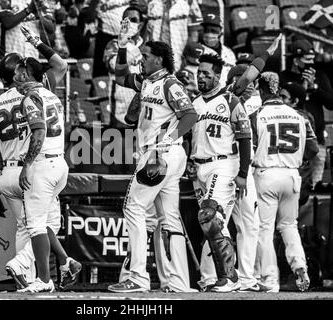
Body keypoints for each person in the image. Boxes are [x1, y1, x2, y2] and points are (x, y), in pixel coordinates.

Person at [0, 28, 81, 291]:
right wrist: (37, 42)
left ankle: (32, 270)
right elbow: (61, 65)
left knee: (28, 226)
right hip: (39, 165)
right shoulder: (40, 89)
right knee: (44, 224)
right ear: (18, 74)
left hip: (9, 171)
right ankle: (34, 269)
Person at [107, 19, 201, 292]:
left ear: (159, 59)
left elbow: (190, 115)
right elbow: (119, 75)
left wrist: (167, 140)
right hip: (165, 155)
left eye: (145, 57)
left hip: (160, 154)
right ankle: (178, 282)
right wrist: (123, 43)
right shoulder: (148, 81)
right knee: (167, 217)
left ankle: (136, 278)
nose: (141, 61)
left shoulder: (170, 84)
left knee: (133, 208)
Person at [251, 72, 319, 292]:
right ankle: (299, 264)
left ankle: (270, 280)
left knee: (264, 228)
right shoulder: (300, 116)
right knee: (289, 226)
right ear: (277, 89)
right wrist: (295, 159)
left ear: (261, 91)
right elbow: (313, 150)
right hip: (292, 174)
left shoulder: (257, 115)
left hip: (266, 174)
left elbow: (248, 148)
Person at [189, 53, 251, 293]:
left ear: (218, 75)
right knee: (214, 225)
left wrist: (243, 173)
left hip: (224, 164)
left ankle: (230, 277)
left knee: (209, 216)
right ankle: (216, 278)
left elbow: (245, 138)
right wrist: (189, 161)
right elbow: (188, 137)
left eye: (206, 73)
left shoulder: (231, 100)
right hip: (199, 168)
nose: (201, 77)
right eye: (199, 73)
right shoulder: (194, 103)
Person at [11, 57, 69, 293]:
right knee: (43, 223)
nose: (14, 77)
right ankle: (64, 262)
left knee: (35, 226)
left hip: (43, 164)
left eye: (17, 72)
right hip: (59, 162)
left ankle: (44, 280)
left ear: (25, 74)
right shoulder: (51, 95)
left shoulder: (30, 97)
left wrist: (27, 165)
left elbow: (39, 131)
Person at [280, 39, 333, 188]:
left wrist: (314, 88)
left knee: (315, 187)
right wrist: (302, 88)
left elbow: (331, 103)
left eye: (312, 59)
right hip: (291, 140)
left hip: (316, 139)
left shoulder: (320, 76)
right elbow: (282, 105)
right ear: (296, 60)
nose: (310, 63)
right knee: (294, 186)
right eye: (306, 60)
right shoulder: (284, 77)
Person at [103, 5, 146, 127]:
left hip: (144, 109)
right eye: (126, 20)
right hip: (119, 112)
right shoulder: (113, 45)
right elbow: (113, 65)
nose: (130, 24)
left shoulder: (149, 47)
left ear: (141, 25)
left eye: (133, 20)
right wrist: (127, 45)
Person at [279, 83, 318, 206]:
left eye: (283, 97)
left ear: (295, 101)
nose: (279, 100)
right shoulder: (306, 117)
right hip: (293, 173)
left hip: (295, 172)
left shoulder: (304, 118)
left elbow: (311, 149)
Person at [146, 0, 203, 71]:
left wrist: (188, 58)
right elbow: (148, 32)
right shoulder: (151, 2)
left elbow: (194, 33)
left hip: (180, 56)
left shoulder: (189, 2)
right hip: (156, 56)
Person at [200, 12, 236, 87]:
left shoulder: (229, 52)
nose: (209, 34)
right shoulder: (197, 51)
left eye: (213, 30)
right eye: (206, 30)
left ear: (221, 32)